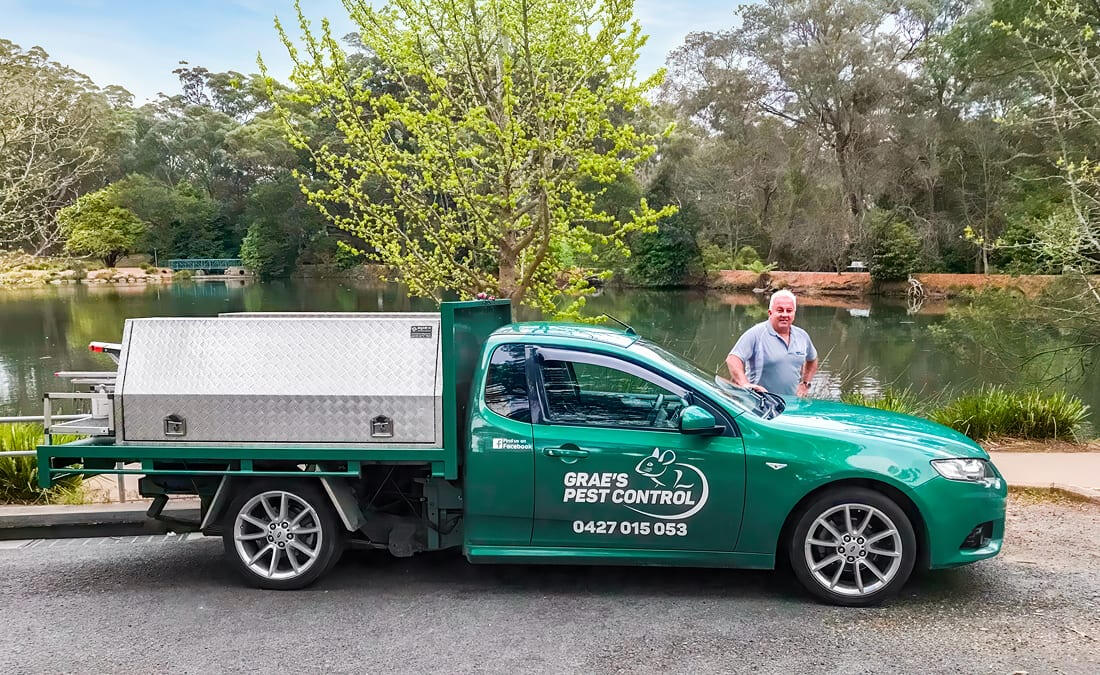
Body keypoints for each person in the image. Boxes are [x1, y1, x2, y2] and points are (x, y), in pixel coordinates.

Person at [725, 289, 818, 397]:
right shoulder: (756, 334)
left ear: (794, 313)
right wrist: (744, 384)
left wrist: (806, 384)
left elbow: (812, 359)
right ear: (770, 313)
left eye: (789, 311)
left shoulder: (802, 336)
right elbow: (733, 359)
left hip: (791, 405)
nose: (784, 314)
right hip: (759, 404)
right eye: (780, 310)